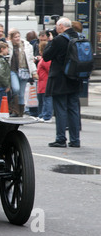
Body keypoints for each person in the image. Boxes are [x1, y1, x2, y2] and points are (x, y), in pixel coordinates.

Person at [43, 17, 81, 148]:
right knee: (74, 109)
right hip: (75, 79)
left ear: (60, 26)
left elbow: (46, 56)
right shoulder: (78, 37)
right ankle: (75, 140)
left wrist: (50, 41)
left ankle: (60, 139)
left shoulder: (59, 39)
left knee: (60, 109)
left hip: (60, 79)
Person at [7, 28, 38, 117]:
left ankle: (19, 113)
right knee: (16, 89)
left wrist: (34, 72)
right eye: (15, 37)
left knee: (21, 94)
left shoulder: (27, 46)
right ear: (11, 38)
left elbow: (30, 60)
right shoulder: (8, 46)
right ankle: (14, 109)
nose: (17, 38)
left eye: (18, 36)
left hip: (24, 70)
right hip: (13, 71)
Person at [36, 41, 53, 123]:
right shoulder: (43, 59)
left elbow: (49, 70)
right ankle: (42, 115)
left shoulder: (46, 60)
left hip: (45, 82)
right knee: (43, 100)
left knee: (47, 100)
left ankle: (47, 116)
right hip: (42, 82)